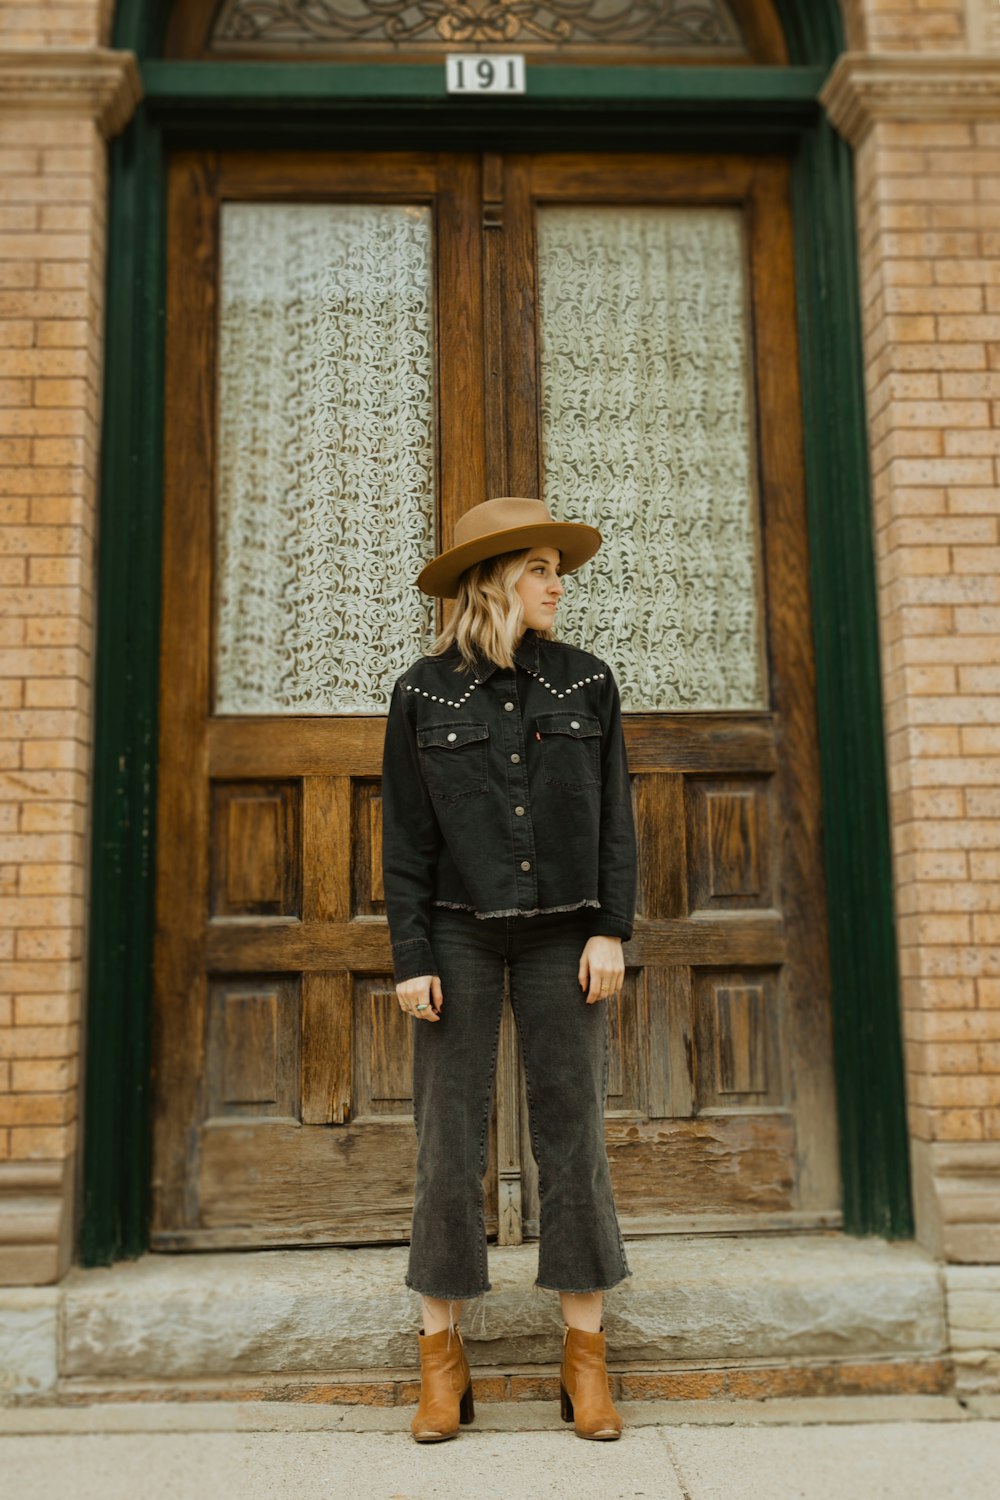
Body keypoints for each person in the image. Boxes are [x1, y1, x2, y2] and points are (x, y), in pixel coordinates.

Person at [380, 496, 638, 1443]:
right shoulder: (421, 694)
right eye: (538, 568)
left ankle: (586, 1361)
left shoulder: (588, 683)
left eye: (555, 569)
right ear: (493, 581)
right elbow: (405, 842)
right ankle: (442, 1363)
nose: (556, 584)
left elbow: (617, 822)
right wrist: (411, 955)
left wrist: (610, 930)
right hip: (454, 936)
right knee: (448, 1143)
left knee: (573, 1135)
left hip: (564, 937)